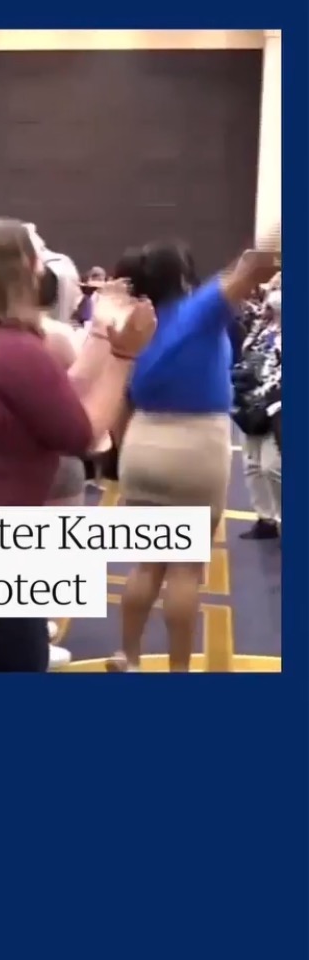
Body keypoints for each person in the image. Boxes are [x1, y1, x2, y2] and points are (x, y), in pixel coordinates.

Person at [0, 218, 156, 672]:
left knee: (7, 658)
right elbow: (81, 433)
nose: (45, 267)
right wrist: (125, 356)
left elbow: (58, 392)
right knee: (19, 663)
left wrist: (102, 330)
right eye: (37, 256)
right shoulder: (12, 348)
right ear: (18, 270)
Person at [107, 242, 281, 673]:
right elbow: (255, 266)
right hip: (195, 448)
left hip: (142, 441)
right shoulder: (200, 310)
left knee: (147, 565)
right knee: (186, 570)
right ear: (185, 276)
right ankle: (179, 671)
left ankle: (127, 655)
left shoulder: (133, 321)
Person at [234, 282, 282, 539]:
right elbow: (246, 351)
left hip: (277, 403)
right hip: (251, 401)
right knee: (252, 464)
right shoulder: (262, 328)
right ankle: (266, 519)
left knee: (272, 466)